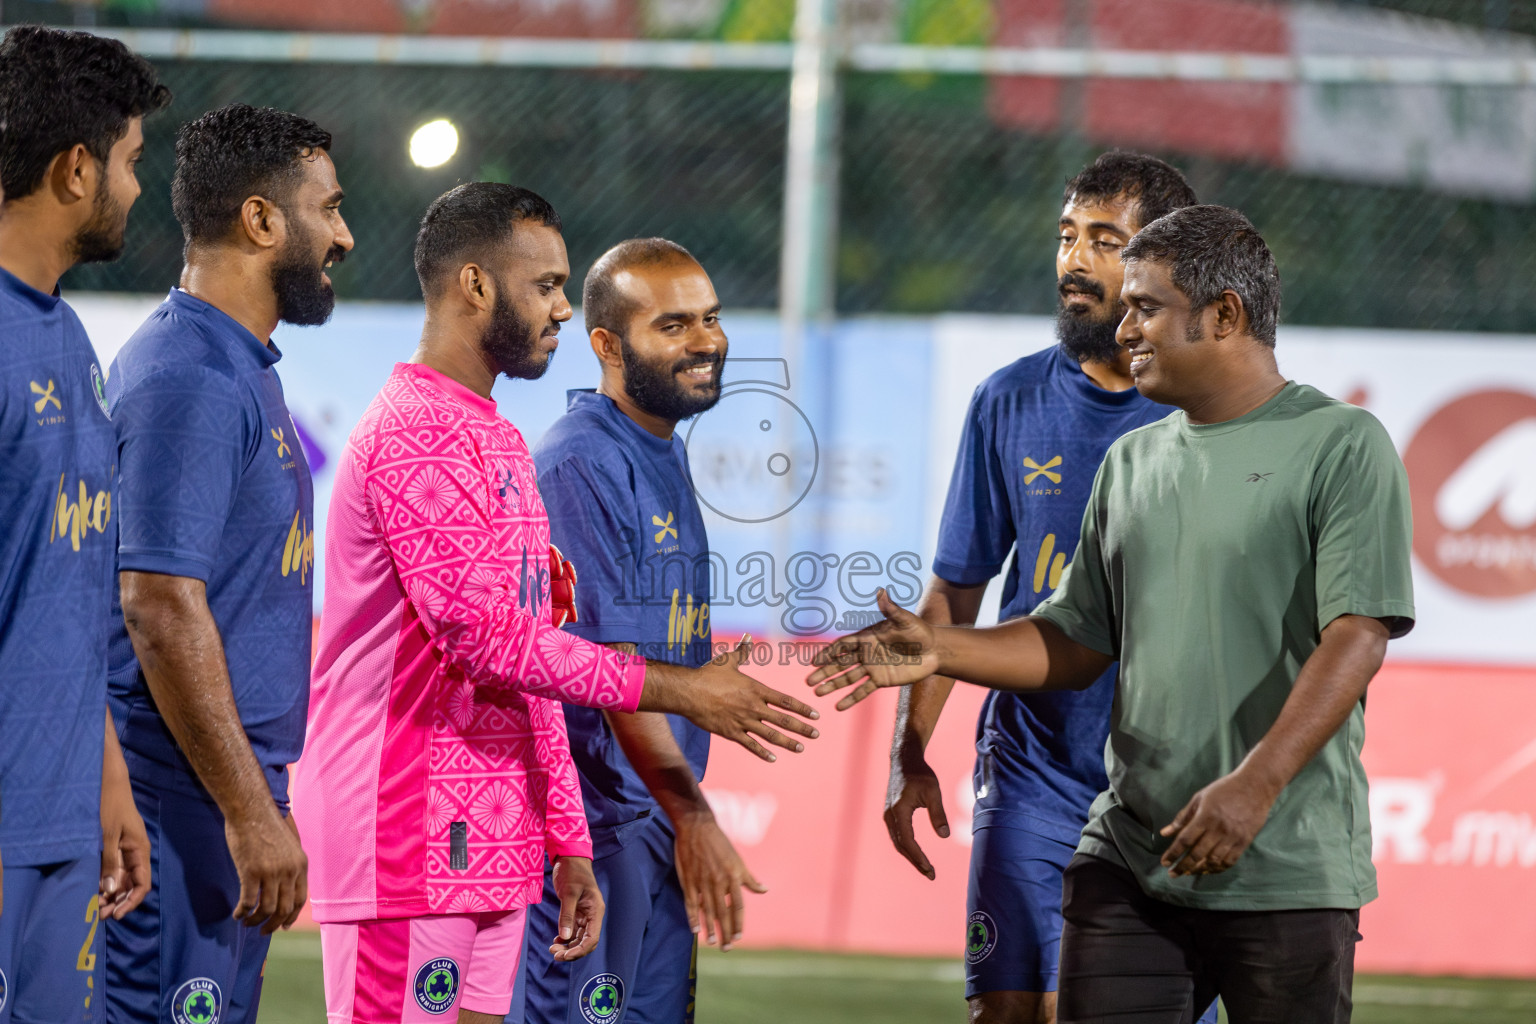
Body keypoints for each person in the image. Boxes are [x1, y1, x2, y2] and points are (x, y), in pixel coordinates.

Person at [813, 204, 1414, 1024]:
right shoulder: (1132, 461)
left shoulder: (1342, 444)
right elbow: (1074, 639)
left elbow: (1359, 635)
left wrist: (1254, 786)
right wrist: (939, 649)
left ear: (1225, 314)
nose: (1123, 326)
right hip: (1129, 857)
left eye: (1146, 307)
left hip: (1286, 862)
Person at [294, 185, 818, 1024]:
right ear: (475, 286)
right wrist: (678, 690)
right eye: (545, 286)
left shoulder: (498, 435)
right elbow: (486, 641)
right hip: (404, 823)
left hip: (495, 832)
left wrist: (564, 839)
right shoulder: (417, 432)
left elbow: (538, 655)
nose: (563, 310)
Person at [883, 152, 1208, 1024]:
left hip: (1169, 782)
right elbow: (955, 598)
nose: (1074, 259)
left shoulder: (1204, 413)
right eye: (1068, 236)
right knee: (1008, 1011)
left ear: (1160, 264)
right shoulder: (1008, 399)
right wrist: (909, 751)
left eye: (1105, 241)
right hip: (1033, 768)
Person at [103, 104, 352, 1024]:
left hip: (214, 793)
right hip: (179, 800)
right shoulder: (189, 378)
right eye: (328, 209)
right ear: (260, 220)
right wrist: (249, 812)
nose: (344, 235)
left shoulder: (243, 367)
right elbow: (160, 606)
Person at [514, 239, 760, 1024]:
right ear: (608, 346)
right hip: (600, 831)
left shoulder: (660, 449)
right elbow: (609, 669)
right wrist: (692, 815)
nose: (706, 341)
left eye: (712, 318)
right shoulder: (581, 463)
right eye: (675, 325)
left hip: (650, 821)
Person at [0, 24, 168, 1024]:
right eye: (132, 162)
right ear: (76, 170)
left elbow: (62, 593)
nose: (137, 189)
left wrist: (106, 781)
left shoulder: (66, 337)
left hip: (62, 821)